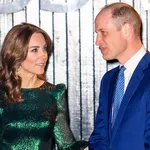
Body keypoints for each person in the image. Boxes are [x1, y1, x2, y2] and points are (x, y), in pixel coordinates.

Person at [0, 22, 87, 150]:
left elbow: (66, 145)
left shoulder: (54, 94)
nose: (44, 55)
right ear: (16, 53)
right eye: (34, 50)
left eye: (45, 48)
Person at [88, 2, 150, 150]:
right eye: (97, 34)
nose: (97, 41)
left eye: (103, 32)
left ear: (127, 30)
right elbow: (100, 136)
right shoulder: (108, 80)